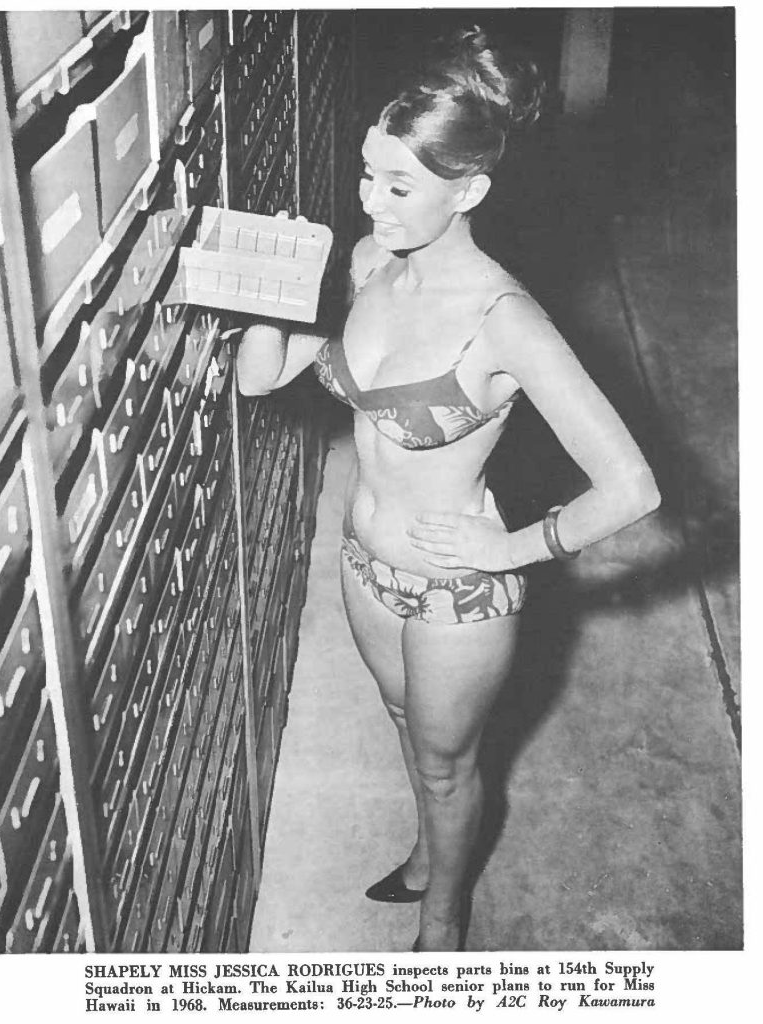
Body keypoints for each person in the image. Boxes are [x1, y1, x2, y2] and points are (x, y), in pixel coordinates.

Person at [235, 27, 660, 952]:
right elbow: (259, 378)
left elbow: (632, 486)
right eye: (366, 174)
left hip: (454, 593)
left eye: (398, 187)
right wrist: (269, 289)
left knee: (445, 766)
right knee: (404, 725)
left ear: (468, 191)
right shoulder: (369, 262)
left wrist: (514, 548)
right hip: (362, 562)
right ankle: (431, 858)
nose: (369, 201)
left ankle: (442, 922)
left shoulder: (506, 320)